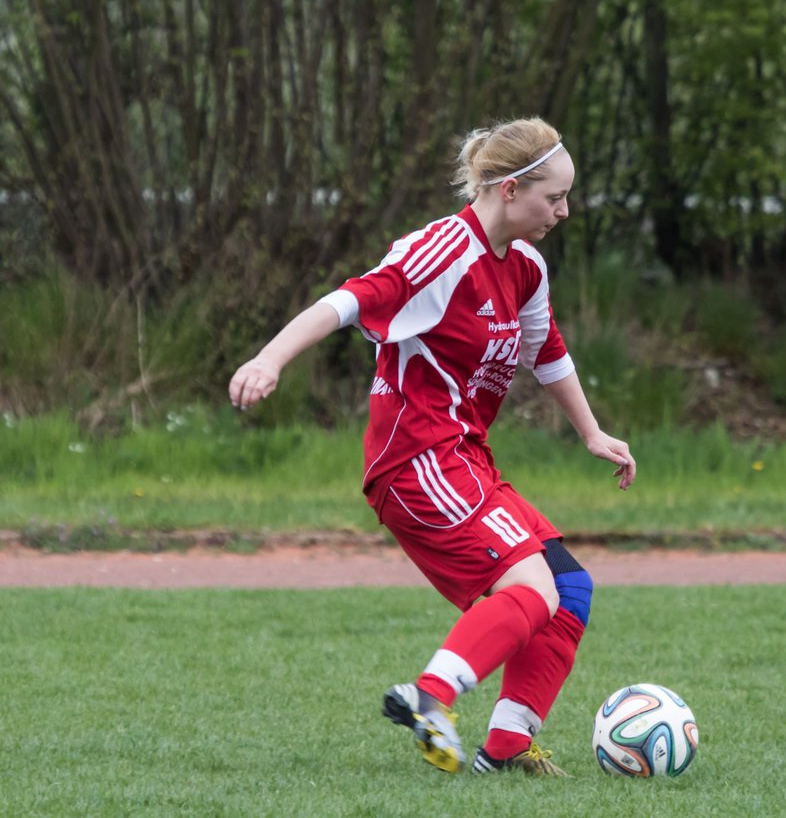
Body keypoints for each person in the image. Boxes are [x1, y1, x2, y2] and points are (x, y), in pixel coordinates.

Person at [228, 118, 636, 773]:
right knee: (532, 588)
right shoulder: (441, 252)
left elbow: (547, 351)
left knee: (569, 588)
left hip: (465, 461)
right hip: (417, 460)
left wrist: (591, 432)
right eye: (553, 197)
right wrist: (268, 360)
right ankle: (430, 696)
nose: (563, 210)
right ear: (508, 190)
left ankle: (503, 753)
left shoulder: (526, 267)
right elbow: (346, 301)